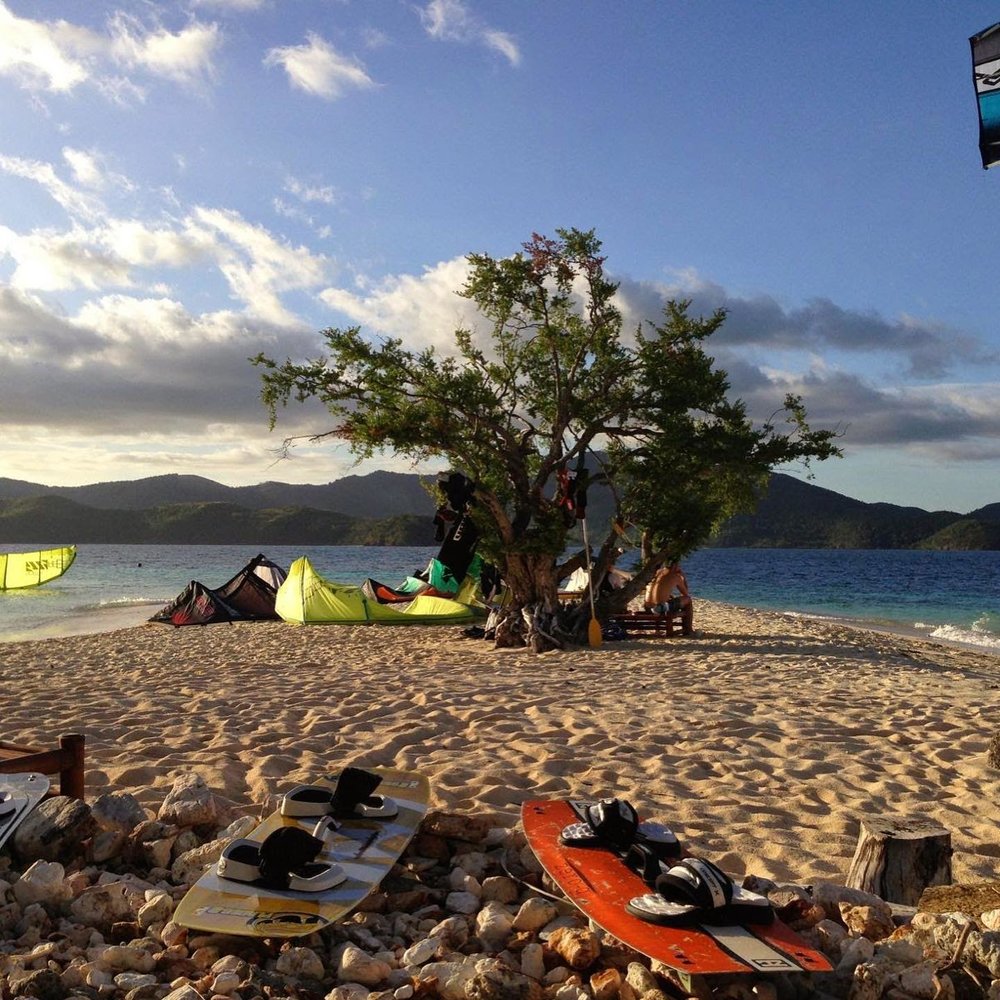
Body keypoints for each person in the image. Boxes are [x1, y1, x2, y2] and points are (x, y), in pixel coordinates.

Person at [643, 562, 695, 636]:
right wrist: (683, 577)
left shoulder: (657, 572)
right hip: (659, 609)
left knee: (664, 600)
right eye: (679, 565)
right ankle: (689, 630)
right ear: (674, 566)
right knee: (688, 599)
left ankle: (657, 630)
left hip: (647, 607)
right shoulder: (675, 576)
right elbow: (685, 593)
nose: (680, 568)